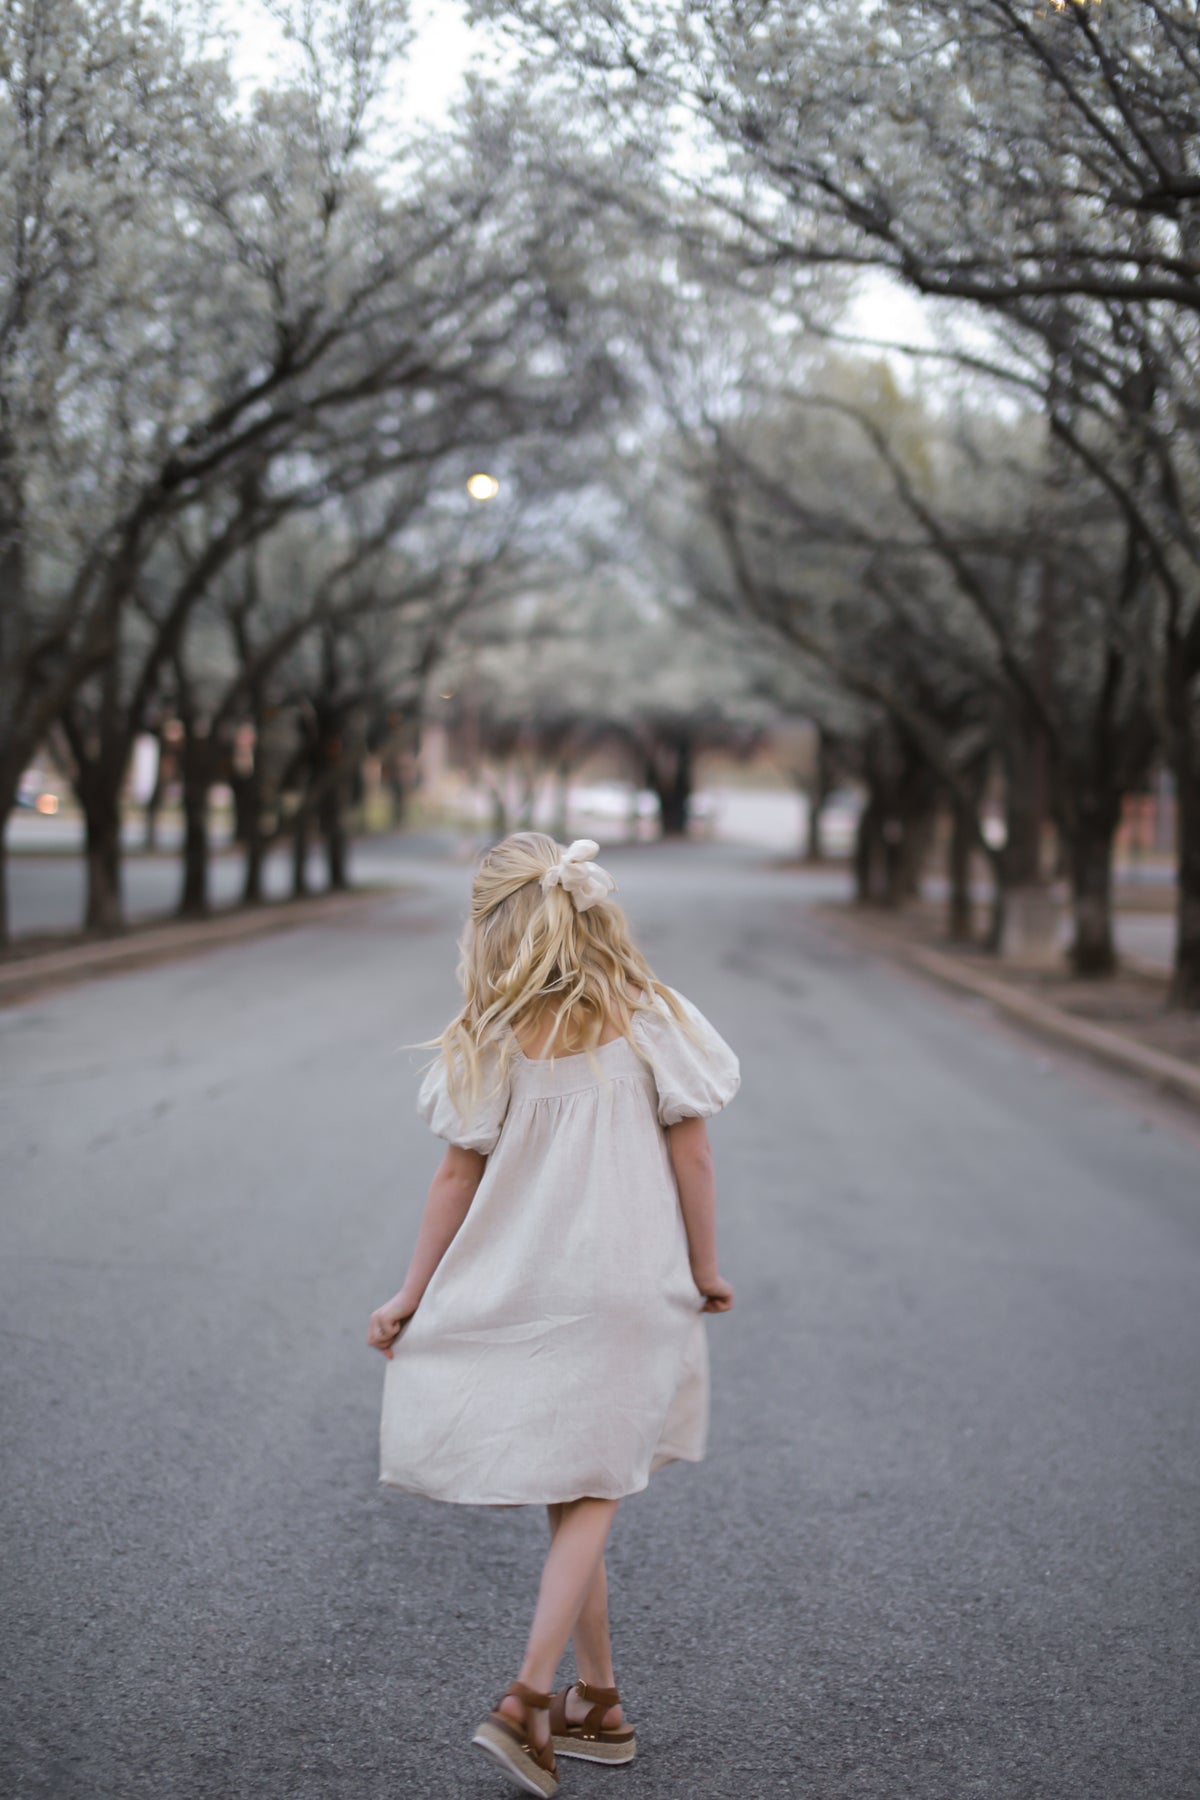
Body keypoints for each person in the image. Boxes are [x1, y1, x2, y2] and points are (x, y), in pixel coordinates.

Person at [367, 832, 739, 1796]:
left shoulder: (491, 1037)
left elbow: (456, 1177)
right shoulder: (653, 1016)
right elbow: (694, 1155)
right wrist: (705, 1268)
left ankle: (530, 1695)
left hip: (533, 1288)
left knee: (586, 1480)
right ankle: (595, 1704)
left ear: (491, 930)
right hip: (632, 1285)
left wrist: (412, 1293)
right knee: (586, 1482)